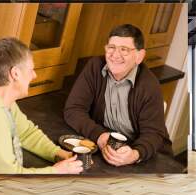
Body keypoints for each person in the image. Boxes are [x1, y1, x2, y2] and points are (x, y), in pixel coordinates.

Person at [64, 24, 172, 167]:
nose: (115, 55)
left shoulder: (149, 86)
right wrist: (100, 136)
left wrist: (134, 155)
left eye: (124, 50)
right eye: (111, 47)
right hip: (108, 146)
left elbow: (154, 134)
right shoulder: (95, 67)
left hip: (146, 155)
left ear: (139, 56)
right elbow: (73, 109)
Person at [0, 37, 83, 174]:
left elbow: (26, 133)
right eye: (31, 69)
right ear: (15, 74)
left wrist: (58, 153)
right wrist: (56, 171)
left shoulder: (1, 100)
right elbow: (6, 177)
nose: (34, 75)